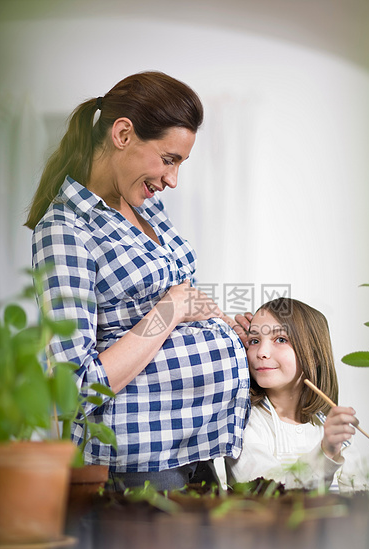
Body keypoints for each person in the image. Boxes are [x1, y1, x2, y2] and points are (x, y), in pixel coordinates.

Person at [25, 71, 250, 491]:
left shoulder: (143, 207)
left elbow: (174, 297)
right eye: (170, 159)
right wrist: (171, 311)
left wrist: (224, 327)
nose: (172, 180)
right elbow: (77, 387)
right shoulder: (65, 231)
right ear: (123, 134)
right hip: (139, 463)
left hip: (193, 443)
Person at [225, 297, 369, 493]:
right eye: (254, 340)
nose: (262, 352)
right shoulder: (242, 422)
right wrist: (326, 451)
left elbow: (363, 493)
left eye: (280, 339)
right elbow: (270, 492)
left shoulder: (327, 428)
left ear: (314, 355)